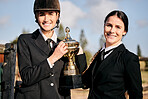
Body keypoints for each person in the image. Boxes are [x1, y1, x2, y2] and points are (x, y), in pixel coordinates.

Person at [16, 0, 87, 99]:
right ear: (36, 16)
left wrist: (79, 52)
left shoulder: (63, 45)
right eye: (41, 14)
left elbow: (83, 80)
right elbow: (27, 77)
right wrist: (53, 58)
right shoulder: (25, 40)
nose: (46, 19)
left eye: (51, 14)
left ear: (57, 16)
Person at [82, 10, 143, 99]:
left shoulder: (129, 58)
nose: (112, 30)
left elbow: (136, 95)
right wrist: (80, 55)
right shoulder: (98, 55)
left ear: (124, 31)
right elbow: (85, 82)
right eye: (109, 25)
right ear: (104, 26)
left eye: (118, 27)